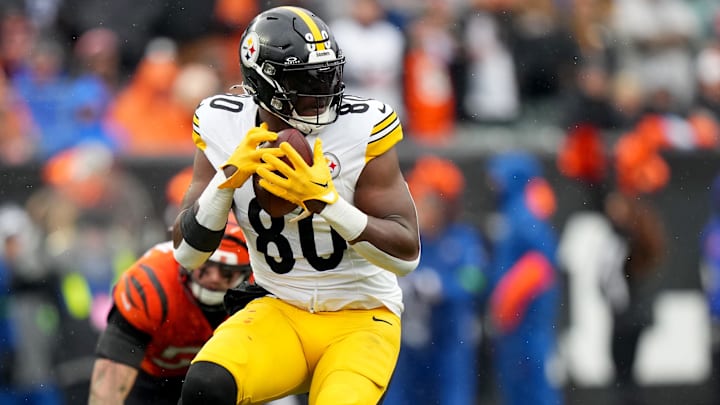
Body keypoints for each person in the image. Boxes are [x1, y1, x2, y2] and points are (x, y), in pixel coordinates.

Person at [172, 6, 420, 405]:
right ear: (262, 82)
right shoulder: (224, 125)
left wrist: (327, 202)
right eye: (304, 80)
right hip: (281, 308)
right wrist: (226, 181)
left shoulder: (362, 127)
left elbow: (406, 256)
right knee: (206, 385)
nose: (321, 90)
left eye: (327, 75)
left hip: (361, 318)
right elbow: (187, 253)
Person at [88, 222, 252, 405]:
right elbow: (110, 383)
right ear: (188, 260)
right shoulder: (152, 283)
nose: (214, 278)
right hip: (146, 379)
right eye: (205, 266)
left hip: (215, 382)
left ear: (245, 274)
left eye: (227, 273)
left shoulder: (256, 291)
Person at [384, 155, 487, 405]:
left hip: (449, 342)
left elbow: (477, 280)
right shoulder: (405, 240)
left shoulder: (464, 240)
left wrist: (442, 286)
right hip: (407, 345)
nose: (419, 206)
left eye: (427, 200)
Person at [485, 152, 563, 405]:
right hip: (517, 321)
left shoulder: (526, 214)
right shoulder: (514, 211)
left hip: (526, 318)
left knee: (532, 380)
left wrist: (506, 305)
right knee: (517, 383)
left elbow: (538, 267)